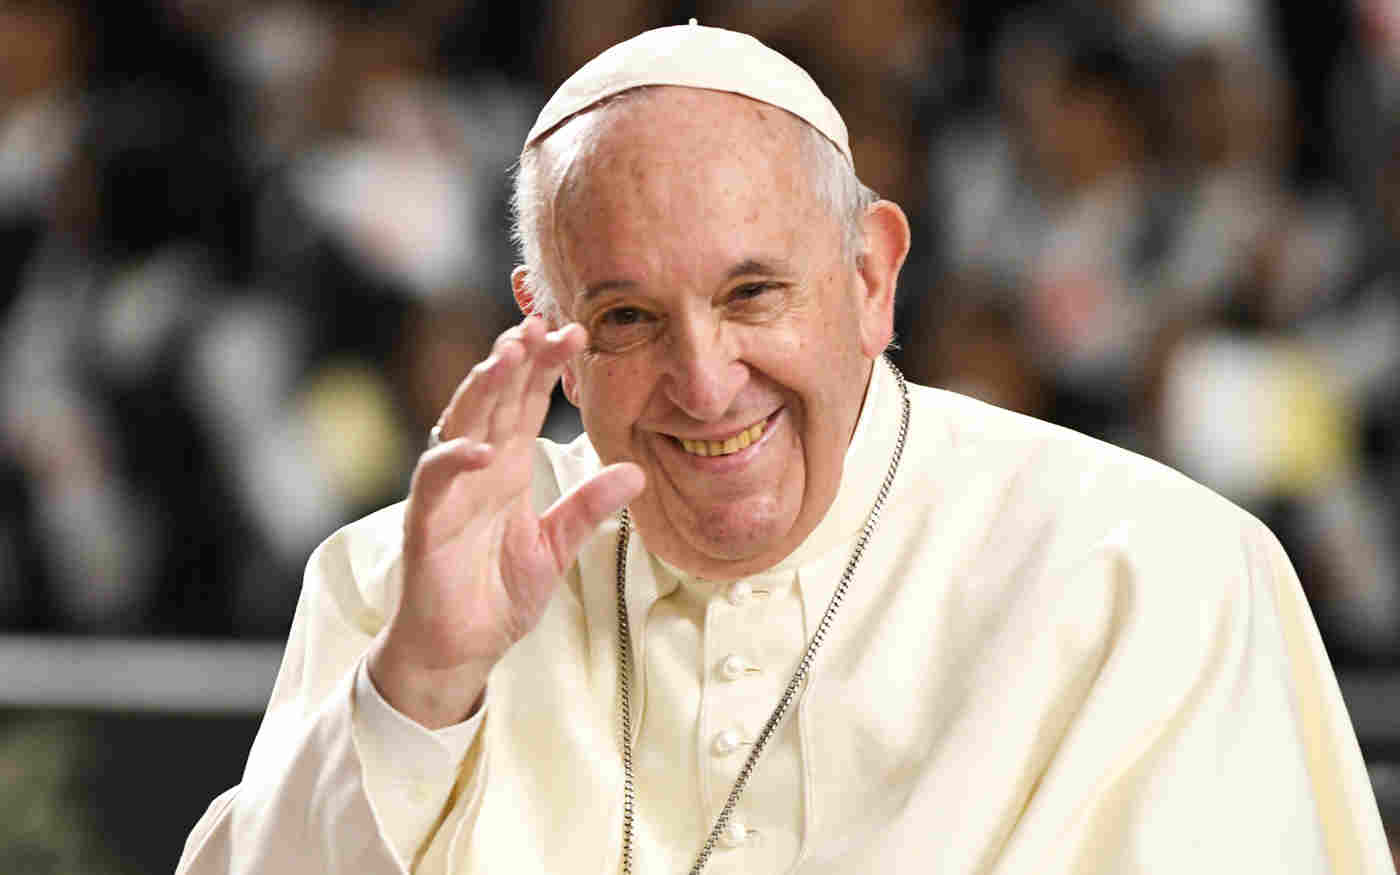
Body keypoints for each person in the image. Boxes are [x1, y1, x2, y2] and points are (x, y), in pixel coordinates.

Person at [176, 23, 1395, 875]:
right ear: (544, 328)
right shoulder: (402, 587)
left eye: (753, 293)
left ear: (869, 277)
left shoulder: (1151, 574)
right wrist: (422, 690)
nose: (704, 385)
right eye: (626, 317)